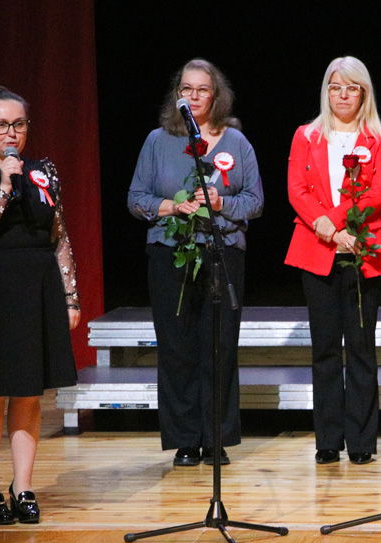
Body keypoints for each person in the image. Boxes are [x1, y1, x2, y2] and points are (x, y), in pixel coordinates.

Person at [0, 86, 80, 524]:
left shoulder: (44, 171)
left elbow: (58, 235)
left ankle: (23, 485)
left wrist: (70, 296)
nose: (11, 133)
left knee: (28, 389)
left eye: (18, 124)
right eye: (1, 125)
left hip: (36, 286)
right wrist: (4, 186)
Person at [127, 59, 263, 467]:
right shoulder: (157, 140)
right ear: (177, 95)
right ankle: (185, 438)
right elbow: (136, 197)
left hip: (222, 252)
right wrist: (171, 206)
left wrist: (221, 203)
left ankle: (215, 437)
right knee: (177, 347)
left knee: (218, 347)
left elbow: (255, 202)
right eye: (186, 89)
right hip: (171, 252)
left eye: (202, 90)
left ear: (216, 95)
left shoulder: (236, 143)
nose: (194, 96)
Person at [285, 56, 381, 465]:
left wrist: (338, 226)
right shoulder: (306, 135)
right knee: (325, 348)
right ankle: (328, 439)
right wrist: (329, 230)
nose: (342, 95)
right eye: (335, 87)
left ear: (364, 92)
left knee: (362, 348)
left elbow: (377, 192)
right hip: (318, 249)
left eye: (351, 87)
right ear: (326, 91)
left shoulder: (380, 138)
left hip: (363, 249)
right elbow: (296, 190)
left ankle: (362, 442)